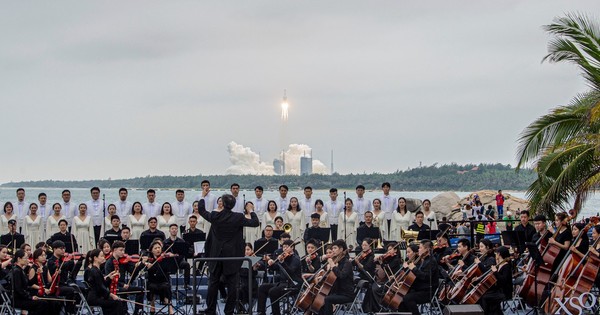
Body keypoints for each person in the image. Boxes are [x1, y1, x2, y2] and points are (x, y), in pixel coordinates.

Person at [198, 194, 259, 315]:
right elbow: (255, 222)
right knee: (232, 285)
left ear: (223, 204)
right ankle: (229, 311)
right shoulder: (238, 217)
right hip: (232, 255)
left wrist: (202, 196)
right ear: (234, 205)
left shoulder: (215, 215)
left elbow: (202, 210)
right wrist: (251, 210)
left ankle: (210, 310)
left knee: (213, 283)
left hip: (216, 254)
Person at [256, 239, 302, 315]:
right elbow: (276, 267)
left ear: (292, 247)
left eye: (287, 247)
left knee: (273, 291)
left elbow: (290, 272)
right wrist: (270, 263)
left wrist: (282, 262)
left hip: (292, 284)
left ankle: (276, 313)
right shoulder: (284, 258)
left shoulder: (296, 259)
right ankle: (261, 312)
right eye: (283, 247)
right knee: (262, 287)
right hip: (282, 283)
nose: (284, 249)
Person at [397, 239, 439, 315]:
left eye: (420, 248)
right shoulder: (424, 260)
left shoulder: (431, 261)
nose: (418, 250)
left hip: (428, 291)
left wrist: (414, 268)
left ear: (427, 249)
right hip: (420, 289)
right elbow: (417, 276)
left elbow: (425, 277)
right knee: (401, 298)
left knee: (408, 298)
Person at [104, 240, 146, 315]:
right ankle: (124, 311)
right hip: (113, 287)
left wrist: (141, 264)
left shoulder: (123, 261)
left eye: (123, 250)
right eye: (121, 250)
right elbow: (109, 279)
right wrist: (122, 284)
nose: (123, 252)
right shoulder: (109, 262)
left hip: (123, 285)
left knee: (141, 290)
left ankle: (137, 312)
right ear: (114, 250)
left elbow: (133, 272)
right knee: (123, 291)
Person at [10, 249, 54, 315]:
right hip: (18, 300)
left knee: (47, 302)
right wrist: (30, 297)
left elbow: (27, 286)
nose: (28, 260)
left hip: (23, 297)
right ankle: (28, 313)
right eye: (26, 258)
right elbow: (19, 289)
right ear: (19, 259)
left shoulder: (21, 270)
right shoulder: (16, 271)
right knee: (43, 303)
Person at [317, 239, 354, 315]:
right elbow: (333, 277)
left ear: (341, 249)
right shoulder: (337, 261)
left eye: (335, 248)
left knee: (327, 299)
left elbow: (341, 276)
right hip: (337, 291)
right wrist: (323, 277)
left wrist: (333, 265)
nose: (333, 250)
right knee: (319, 298)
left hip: (346, 294)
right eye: (332, 248)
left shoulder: (347, 263)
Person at [84, 248, 124, 315]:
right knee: (116, 303)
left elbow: (102, 285)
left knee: (115, 302)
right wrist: (112, 295)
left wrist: (110, 278)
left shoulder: (96, 270)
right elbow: (100, 287)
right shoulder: (94, 271)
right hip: (94, 298)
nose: (104, 258)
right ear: (95, 258)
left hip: (97, 297)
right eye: (101, 256)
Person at [143, 240, 174, 315]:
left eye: (159, 248)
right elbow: (142, 268)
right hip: (152, 282)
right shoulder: (149, 259)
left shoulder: (165, 258)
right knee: (151, 287)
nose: (158, 250)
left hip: (163, 281)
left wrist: (170, 258)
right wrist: (145, 263)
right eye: (155, 248)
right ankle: (152, 305)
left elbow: (169, 269)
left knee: (166, 286)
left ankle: (170, 307)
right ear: (151, 250)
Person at [479, 247, 512, 314]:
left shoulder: (506, 266)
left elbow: (503, 281)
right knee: (484, 295)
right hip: (498, 290)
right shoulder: (499, 264)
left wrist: (495, 272)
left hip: (504, 292)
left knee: (485, 298)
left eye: (496, 253)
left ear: (499, 254)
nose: (495, 255)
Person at [163, 224, 192, 288]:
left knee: (187, 265)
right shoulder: (165, 242)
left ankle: (186, 283)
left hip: (179, 260)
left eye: (175, 229)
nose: (174, 230)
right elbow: (162, 253)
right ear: (169, 230)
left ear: (177, 230)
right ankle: (166, 283)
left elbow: (184, 253)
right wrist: (168, 254)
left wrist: (177, 255)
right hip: (169, 261)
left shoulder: (182, 241)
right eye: (172, 229)